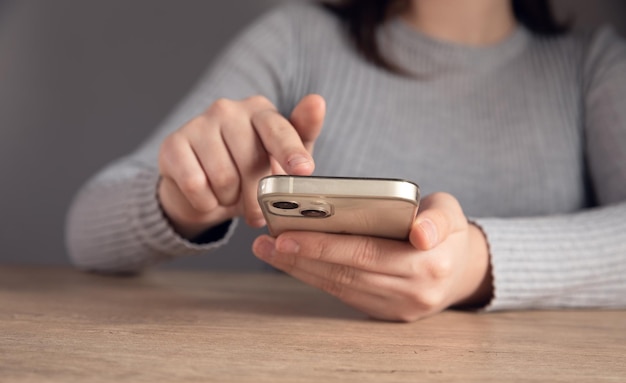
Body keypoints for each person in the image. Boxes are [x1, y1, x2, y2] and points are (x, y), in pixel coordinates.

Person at [66, 0, 626, 322]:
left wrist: (476, 265)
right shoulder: (296, 39)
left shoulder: (590, 64)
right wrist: (188, 193)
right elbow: (87, 231)